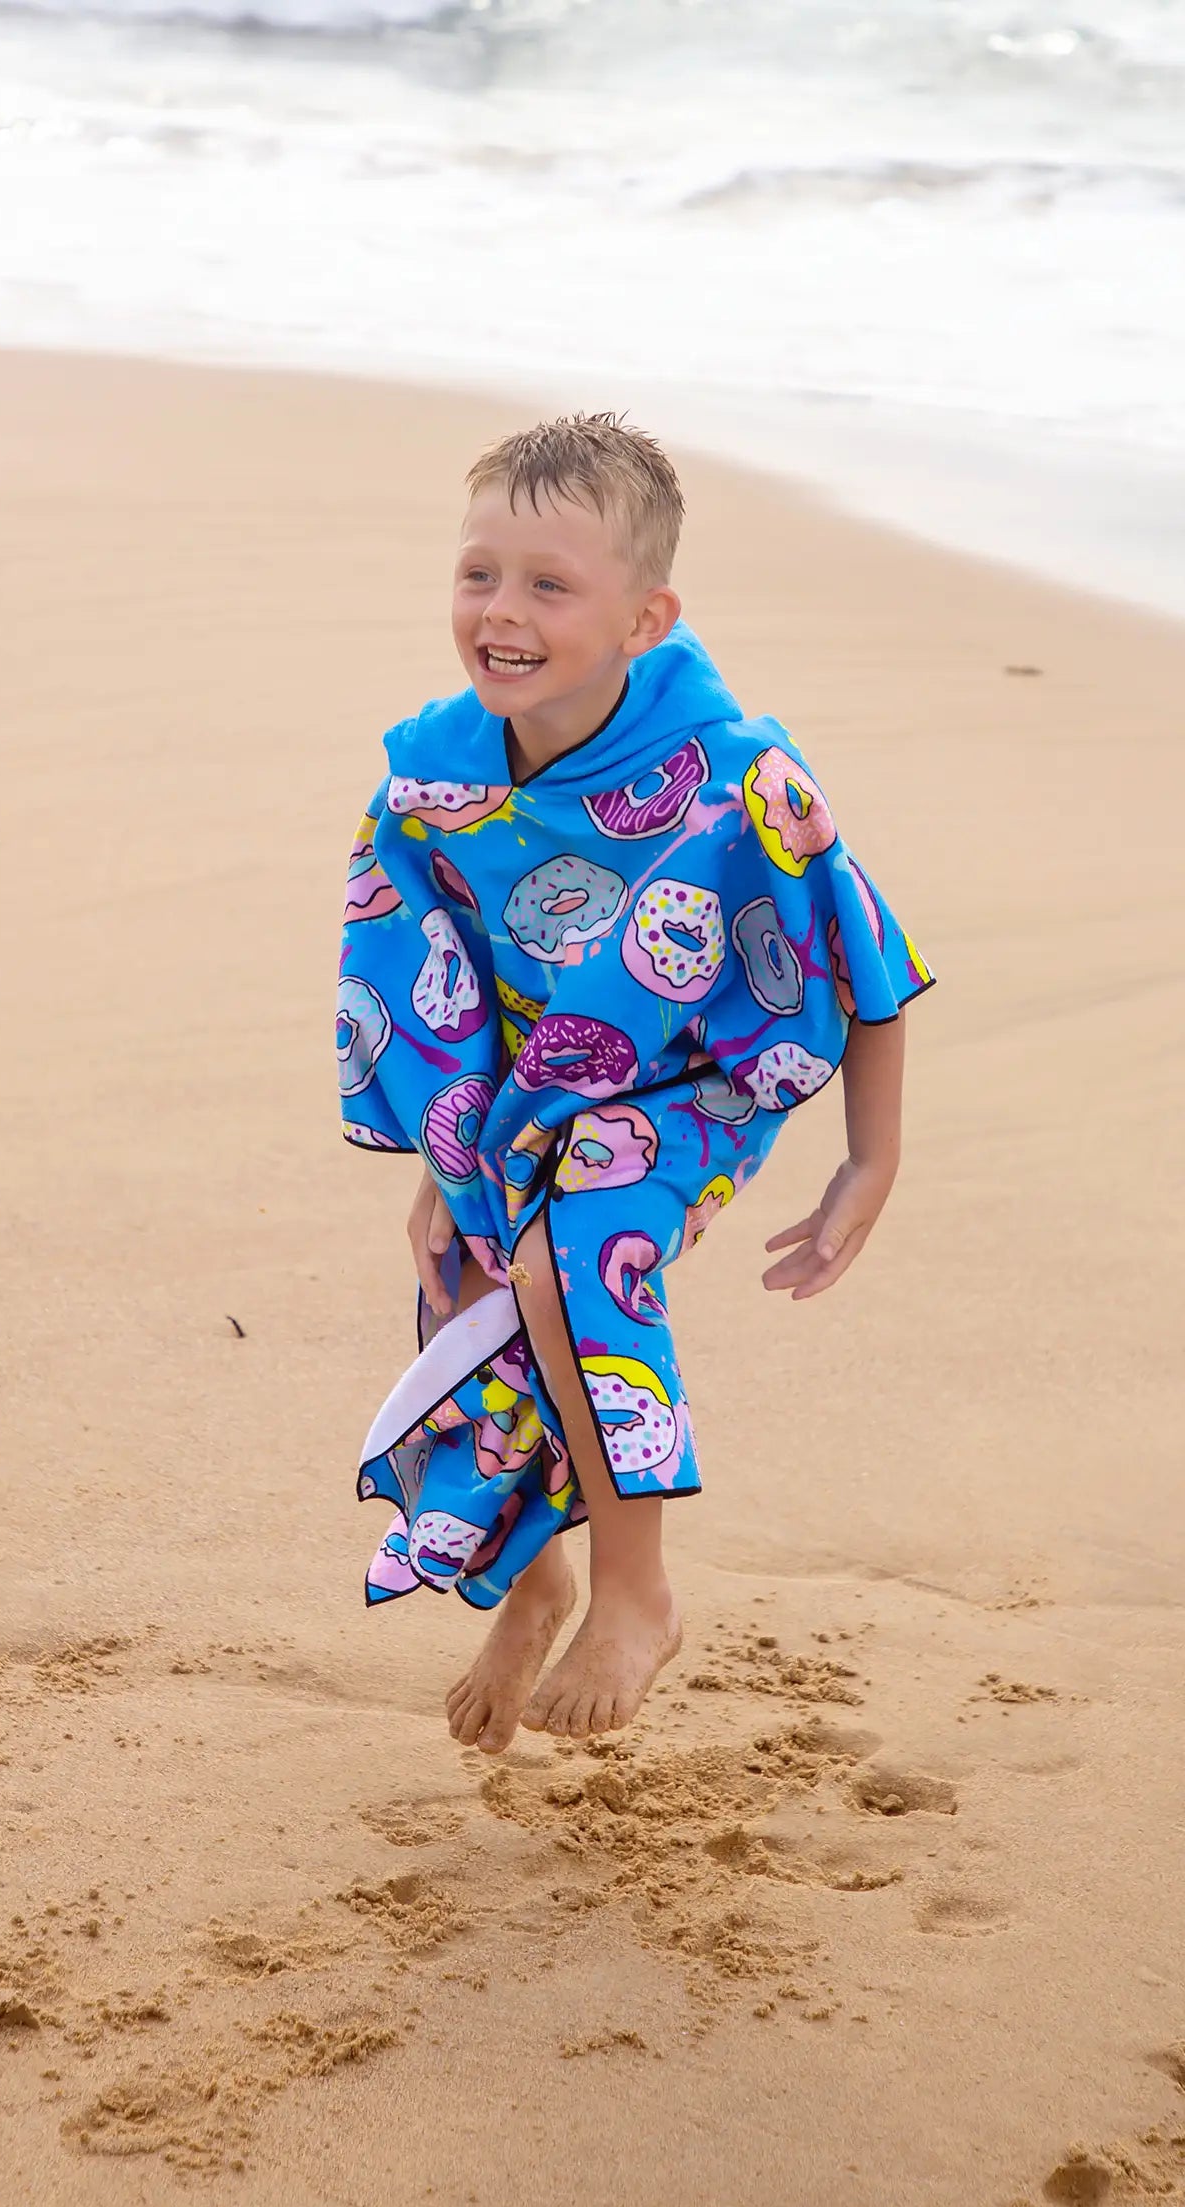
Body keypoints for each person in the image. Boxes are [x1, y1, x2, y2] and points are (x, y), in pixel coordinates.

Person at [337, 412, 931, 1756]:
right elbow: (432, 972)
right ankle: (534, 1572)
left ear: (646, 616)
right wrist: (447, 1160)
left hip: (696, 1078)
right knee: (475, 1269)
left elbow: (864, 952)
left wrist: (869, 1161)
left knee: (572, 1254)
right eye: (480, 573)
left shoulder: (733, 779)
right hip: (530, 1091)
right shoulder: (435, 776)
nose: (503, 611)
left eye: (551, 585)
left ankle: (634, 1588)